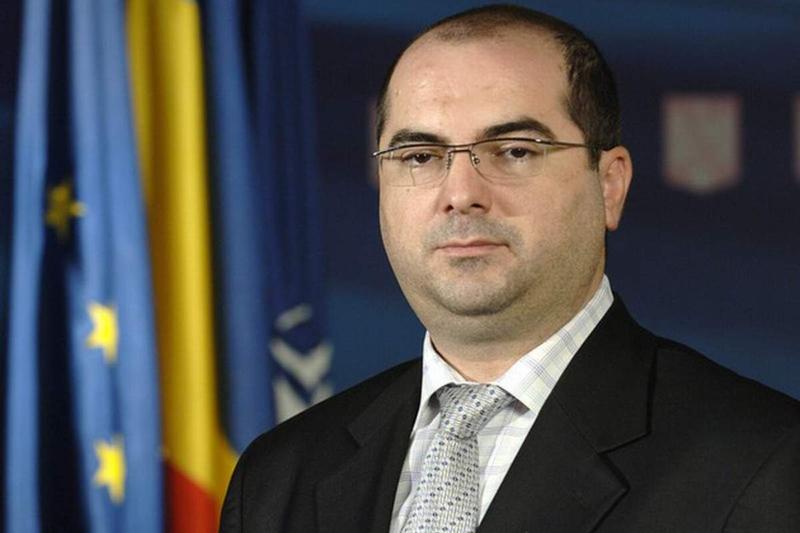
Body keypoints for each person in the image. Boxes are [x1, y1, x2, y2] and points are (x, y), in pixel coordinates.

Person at [220, 5, 800, 532]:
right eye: (420, 156)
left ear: (609, 185)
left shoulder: (768, 465)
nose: (460, 194)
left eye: (514, 151)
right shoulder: (277, 477)